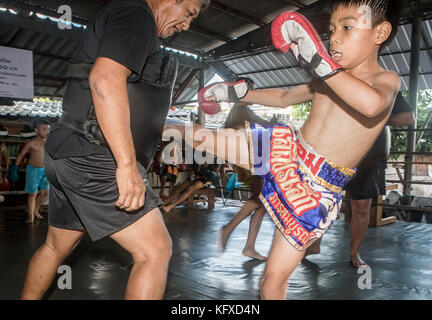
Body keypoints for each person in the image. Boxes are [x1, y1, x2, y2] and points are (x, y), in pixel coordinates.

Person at [184, 0, 402, 299]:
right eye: (331, 29)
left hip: (314, 190)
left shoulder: (384, 80)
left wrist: (320, 62)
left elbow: (372, 105)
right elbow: (286, 96)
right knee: (198, 137)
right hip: (287, 152)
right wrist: (237, 93)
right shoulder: (326, 78)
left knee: (272, 282)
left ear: (380, 33)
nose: (334, 37)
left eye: (347, 27)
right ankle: (134, 123)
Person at [21, 0, 208, 300]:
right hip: (93, 155)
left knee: (57, 246)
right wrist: (126, 164)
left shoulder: (127, 15)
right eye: (189, 14)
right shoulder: (137, 14)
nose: (186, 25)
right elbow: (104, 80)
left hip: (67, 148)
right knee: (155, 251)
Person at [219, 102, 276, 261]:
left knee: (262, 207)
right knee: (260, 200)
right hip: (254, 168)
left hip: (254, 167)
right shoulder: (242, 120)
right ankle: (228, 228)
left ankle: (249, 247)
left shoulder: (240, 120)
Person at [14, 121, 50, 223]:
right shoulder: (31, 143)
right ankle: (30, 216)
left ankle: (36, 210)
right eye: (44, 129)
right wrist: (15, 168)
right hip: (33, 170)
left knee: (44, 193)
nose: (47, 131)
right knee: (32, 194)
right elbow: (21, 155)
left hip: (45, 170)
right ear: (36, 130)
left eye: (48, 129)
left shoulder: (50, 142)